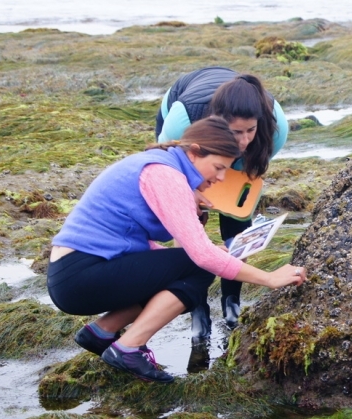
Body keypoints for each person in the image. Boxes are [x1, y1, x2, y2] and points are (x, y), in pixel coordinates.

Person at [46, 117, 306, 383]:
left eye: (226, 170)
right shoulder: (165, 175)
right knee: (196, 268)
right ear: (194, 152)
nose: (220, 177)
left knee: (185, 274)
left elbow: (141, 247)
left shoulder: (161, 166)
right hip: (81, 274)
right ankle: (128, 348)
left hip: (73, 273)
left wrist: (207, 250)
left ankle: (102, 333)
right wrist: (270, 279)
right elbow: (200, 257)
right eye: (218, 167)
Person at [156, 67, 290, 338]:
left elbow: (245, 186)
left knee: (237, 217)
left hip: (248, 129)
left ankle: (232, 302)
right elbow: (164, 169)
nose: (243, 140)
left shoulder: (275, 129)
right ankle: (196, 305)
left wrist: (229, 196)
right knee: (186, 220)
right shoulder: (183, 120)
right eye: (235, 132)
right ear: (218, 123)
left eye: (249, 130)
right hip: (183, 108)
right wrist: (189, 193)